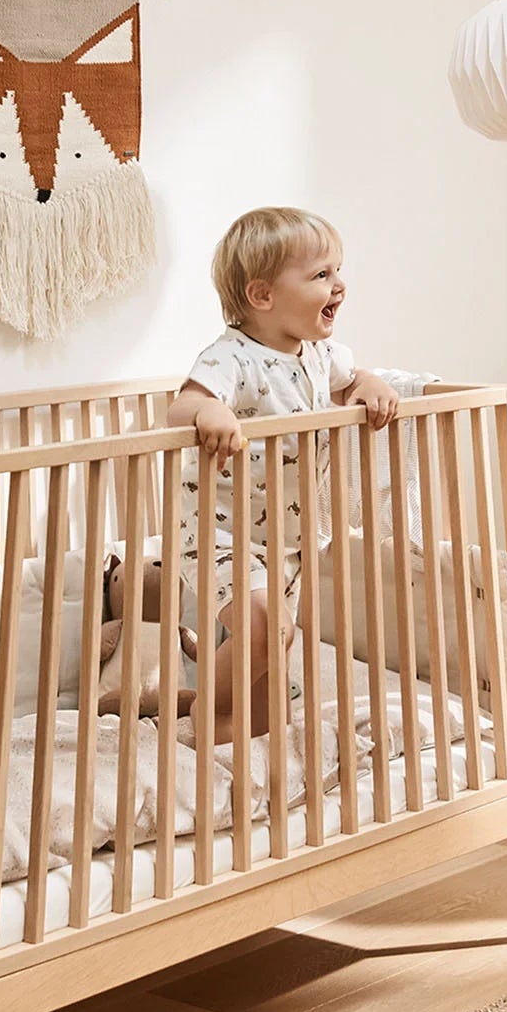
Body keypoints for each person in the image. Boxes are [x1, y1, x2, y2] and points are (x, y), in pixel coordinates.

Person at [168, 207, 399, 743]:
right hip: (221, 531)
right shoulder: (233, 358)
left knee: (272, 659)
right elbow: (180, 408)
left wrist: (367, 385)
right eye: (321, 275)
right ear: (263, 296)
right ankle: (208, 707)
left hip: (286, 540)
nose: (339, 285)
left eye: (337, 271)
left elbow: (349, 382)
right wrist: (210, 413)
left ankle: (242, 752)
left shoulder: (321, 355)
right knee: (267, 630)